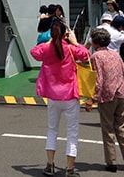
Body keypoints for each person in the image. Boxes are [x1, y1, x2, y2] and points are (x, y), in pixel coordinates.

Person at [30, 18, 90, 176]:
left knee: (52, 130)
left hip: (53, 97)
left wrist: (50, 41)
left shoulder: (47, 49)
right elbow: (86, 55)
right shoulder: (71, 49)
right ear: (65, 34)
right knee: (72, 132)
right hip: (70, 96)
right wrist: (75, 42)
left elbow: (34, 52)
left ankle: (49, 165)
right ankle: (69, 169)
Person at [84, 27, 124, 173]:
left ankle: (111, 162)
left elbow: (98, 80)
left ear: (95, 42)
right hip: (121, 94)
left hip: (107, 96)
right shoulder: (115, 54)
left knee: (108, 130)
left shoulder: (96, 57)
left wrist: (91, 99)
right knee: (121, 128)